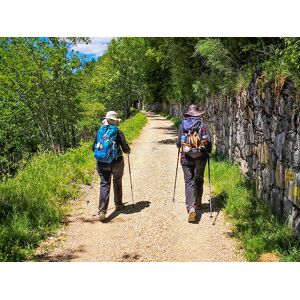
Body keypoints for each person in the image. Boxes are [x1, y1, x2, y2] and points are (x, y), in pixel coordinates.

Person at [92, 111, 130, 221]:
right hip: (117, 161)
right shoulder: (118, 132)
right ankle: (118, 204)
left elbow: (93, 148)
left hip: (102, 163)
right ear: (115, 121)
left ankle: (102, 211)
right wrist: (128, 150)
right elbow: (125, 149)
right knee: (117, 181)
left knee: (104, 184)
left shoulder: (100, 131)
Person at [176, 104, 212, 223]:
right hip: (201, 156)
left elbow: (178, 143)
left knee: (189, 181)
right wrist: (208, 151)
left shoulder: (183, 125)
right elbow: (208, 143)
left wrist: (182, 147)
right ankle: (198, 203)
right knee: (199, 178)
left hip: (186, 157)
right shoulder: (202, 125)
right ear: (197, 114)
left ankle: (191, 208)